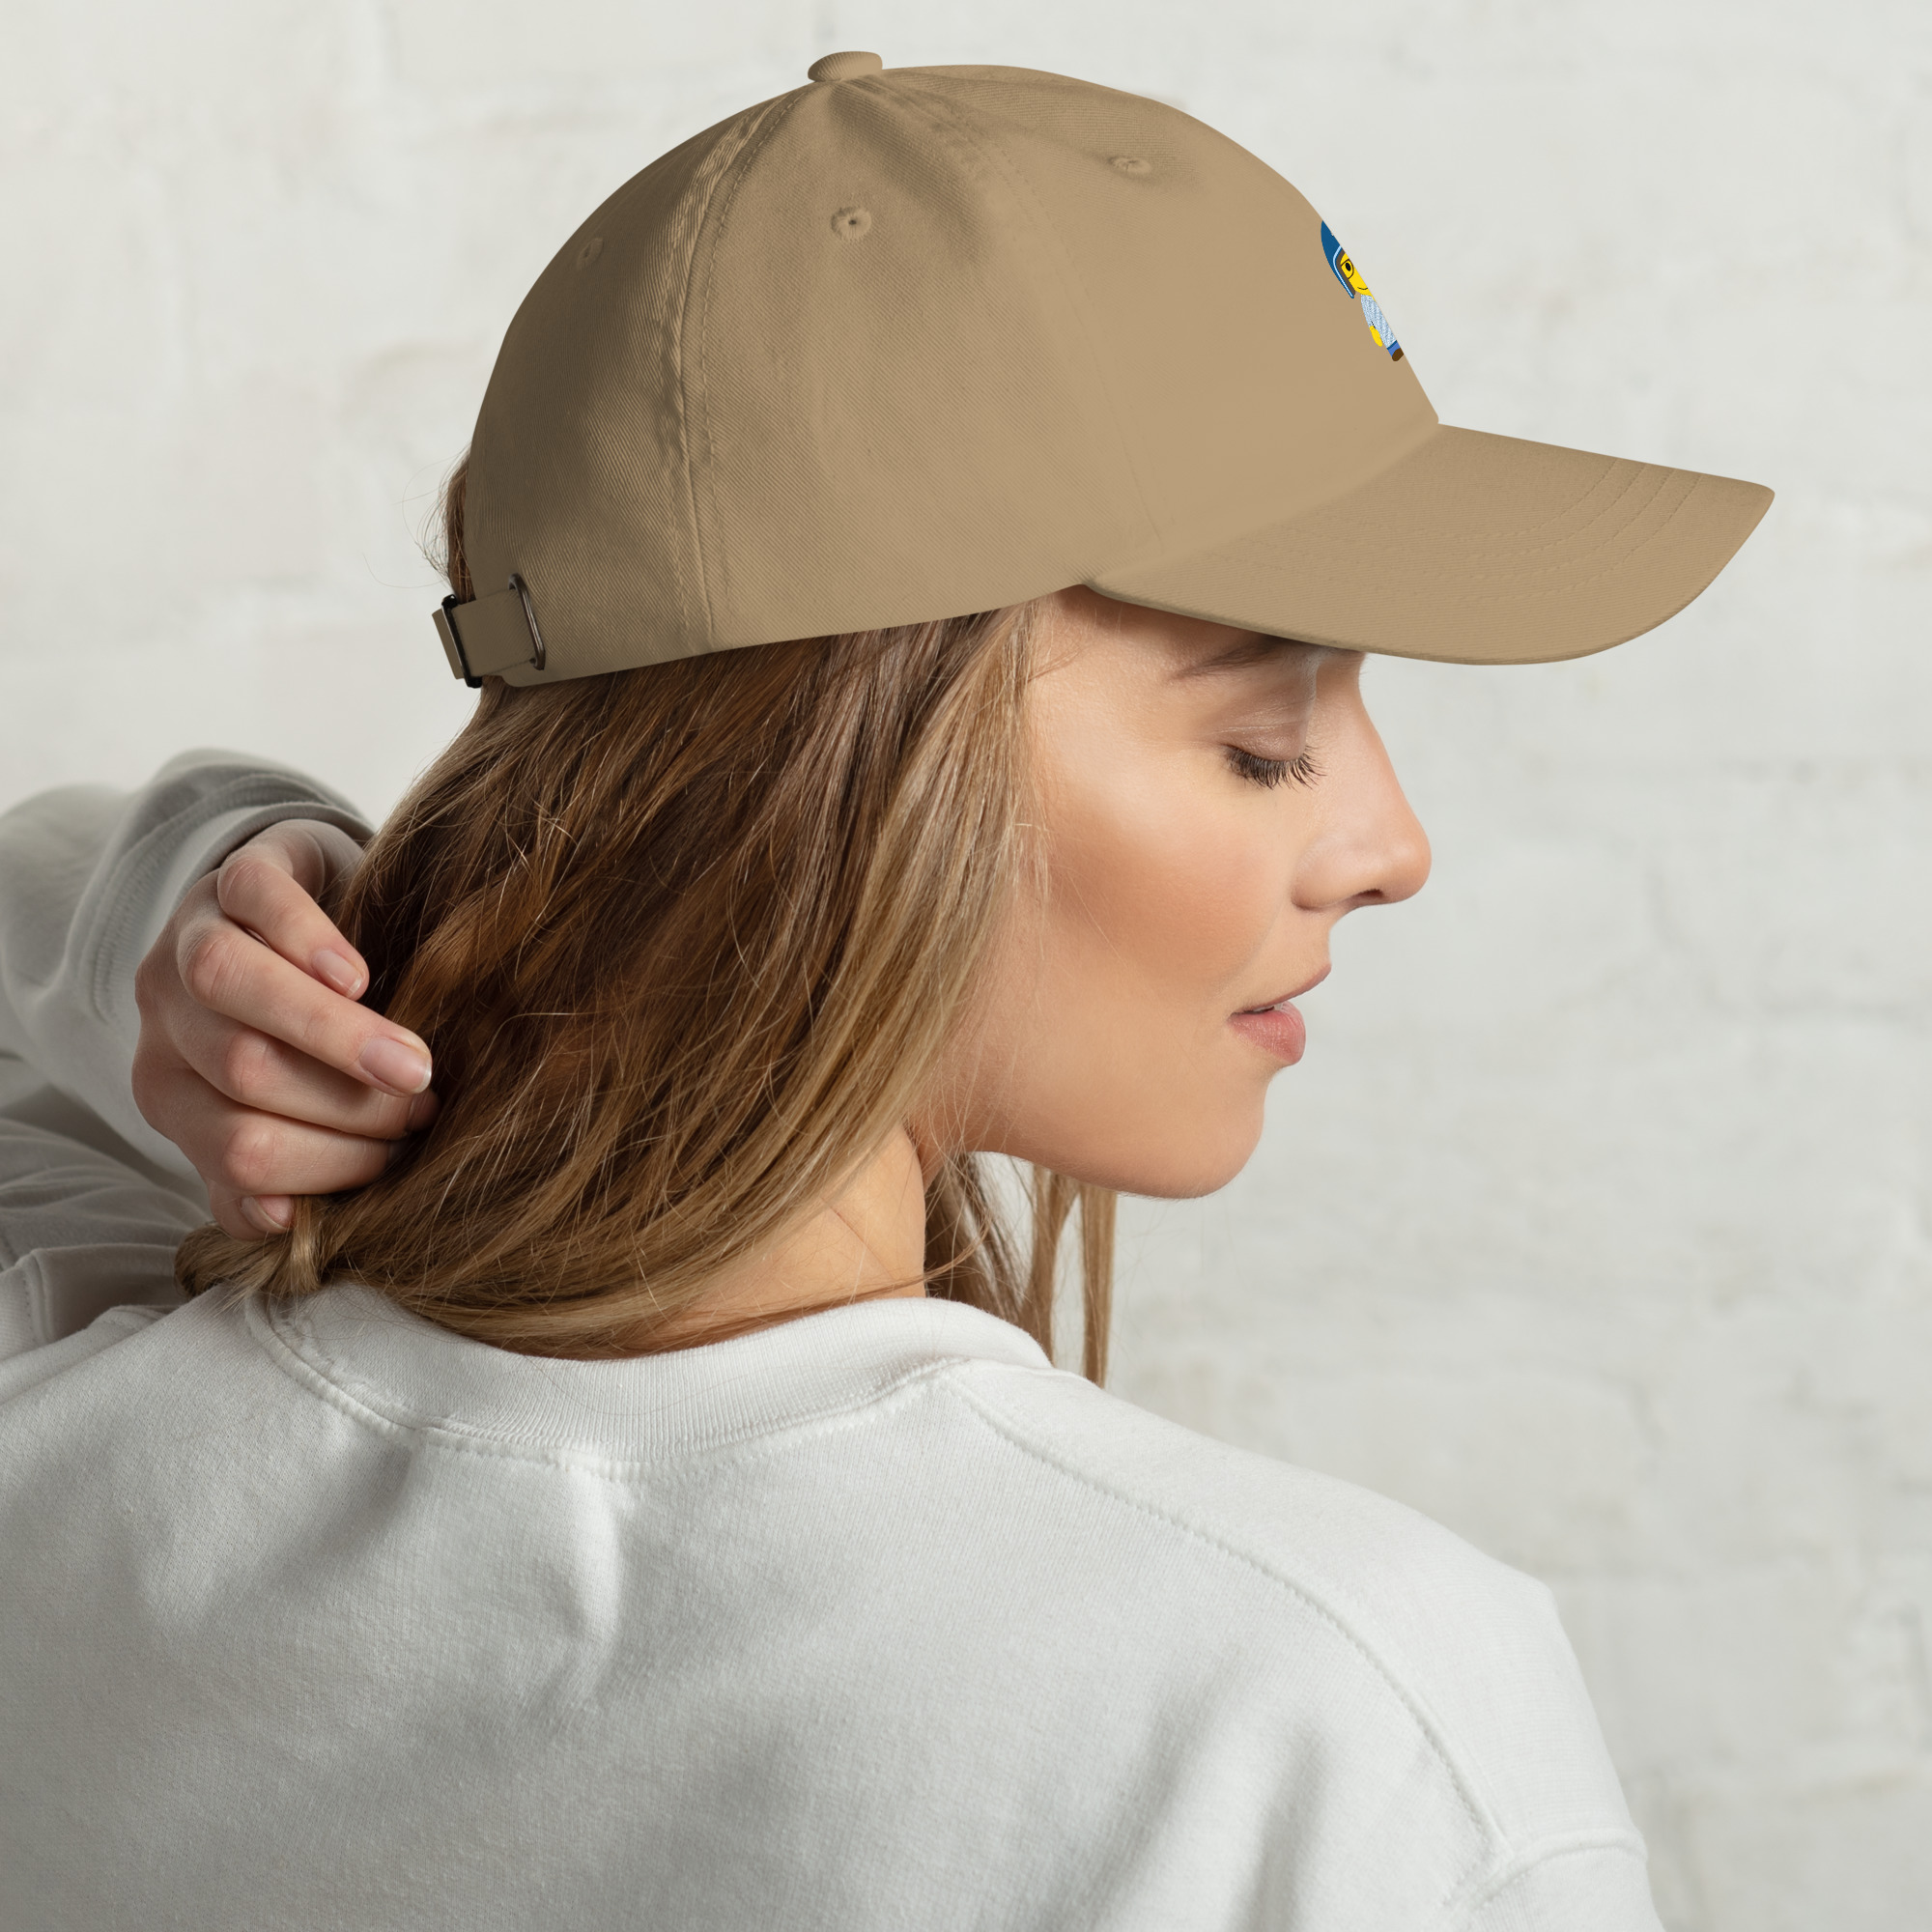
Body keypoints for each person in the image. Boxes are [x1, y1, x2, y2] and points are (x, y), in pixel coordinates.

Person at [0, 54, 1769, 1931]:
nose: (1391, 845)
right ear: (835, 783)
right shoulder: (1329, 1728)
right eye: (1263, 738)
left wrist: (207, 895)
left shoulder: (72, 1434)